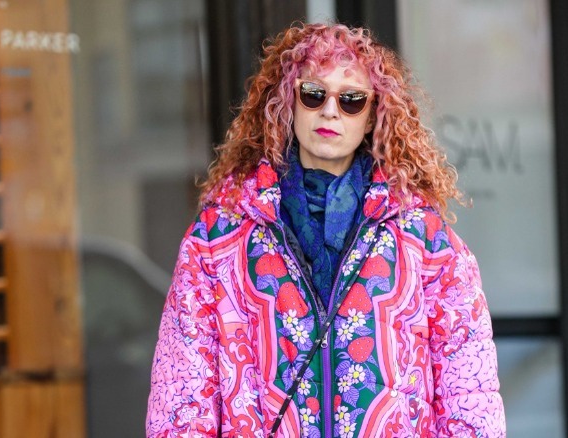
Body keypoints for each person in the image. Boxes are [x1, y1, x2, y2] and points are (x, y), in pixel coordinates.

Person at [146, 22, 506, 437]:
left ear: (372, 116)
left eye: (351, 100)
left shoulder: (424, 239)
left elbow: (469, 394)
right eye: (313, 94)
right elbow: (181, 399)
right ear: (288, 103)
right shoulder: (218, 237)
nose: (330, 111)